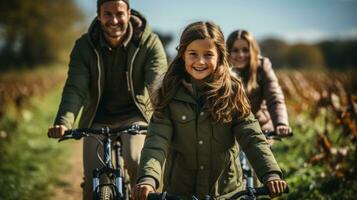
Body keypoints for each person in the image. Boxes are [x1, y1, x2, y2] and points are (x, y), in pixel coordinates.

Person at [133, 21, 286, 200]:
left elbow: (252, 136)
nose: (200, 61)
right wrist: (148, 179)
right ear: (182, 55)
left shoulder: (232, 92)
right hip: (180, 191)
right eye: (193, 54)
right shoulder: (168, 93)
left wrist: (271, 174)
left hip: (225, 191)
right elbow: (156, 140)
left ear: (220, 56)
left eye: (208, 55)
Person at [47, 0, 167, 199]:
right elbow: (75, 89)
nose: (114, 20)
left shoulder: (148, 42)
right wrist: (63, 121)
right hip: (97, 117)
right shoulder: (84, 46)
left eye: (119, 14)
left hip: (133, 116)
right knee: (91, 183)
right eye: (107, 14)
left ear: (129, 13)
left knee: (136, 160)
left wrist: (164, 117)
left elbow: (157, 85)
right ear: (98, 15)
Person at [226, 29, 291, 136]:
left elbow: (274, 96)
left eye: (245, 50)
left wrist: (281, 122)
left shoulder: (261, 67)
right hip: (230, 133)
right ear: (228, 52)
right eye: (235, 50)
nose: (241, 55)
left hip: (259, 129)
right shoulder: (221, 70)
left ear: (253, 50)